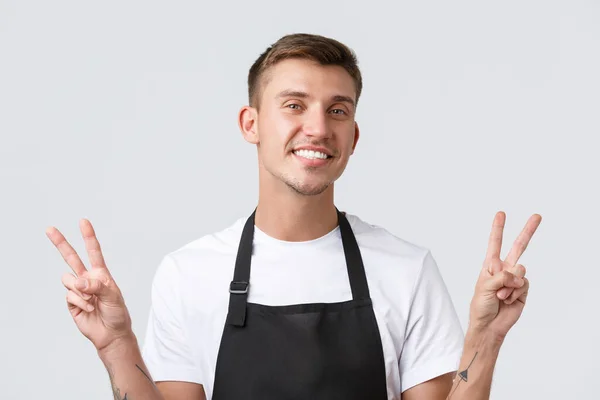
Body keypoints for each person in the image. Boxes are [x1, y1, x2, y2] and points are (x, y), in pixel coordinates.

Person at [46, 33, 542, 400]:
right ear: (251, 124)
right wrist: (115, 344)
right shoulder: (189, 272)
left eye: (338, 110)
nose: (317, 128)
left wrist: (486, 337)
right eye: (294, 105)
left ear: (353, 137)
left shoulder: (406, 268)